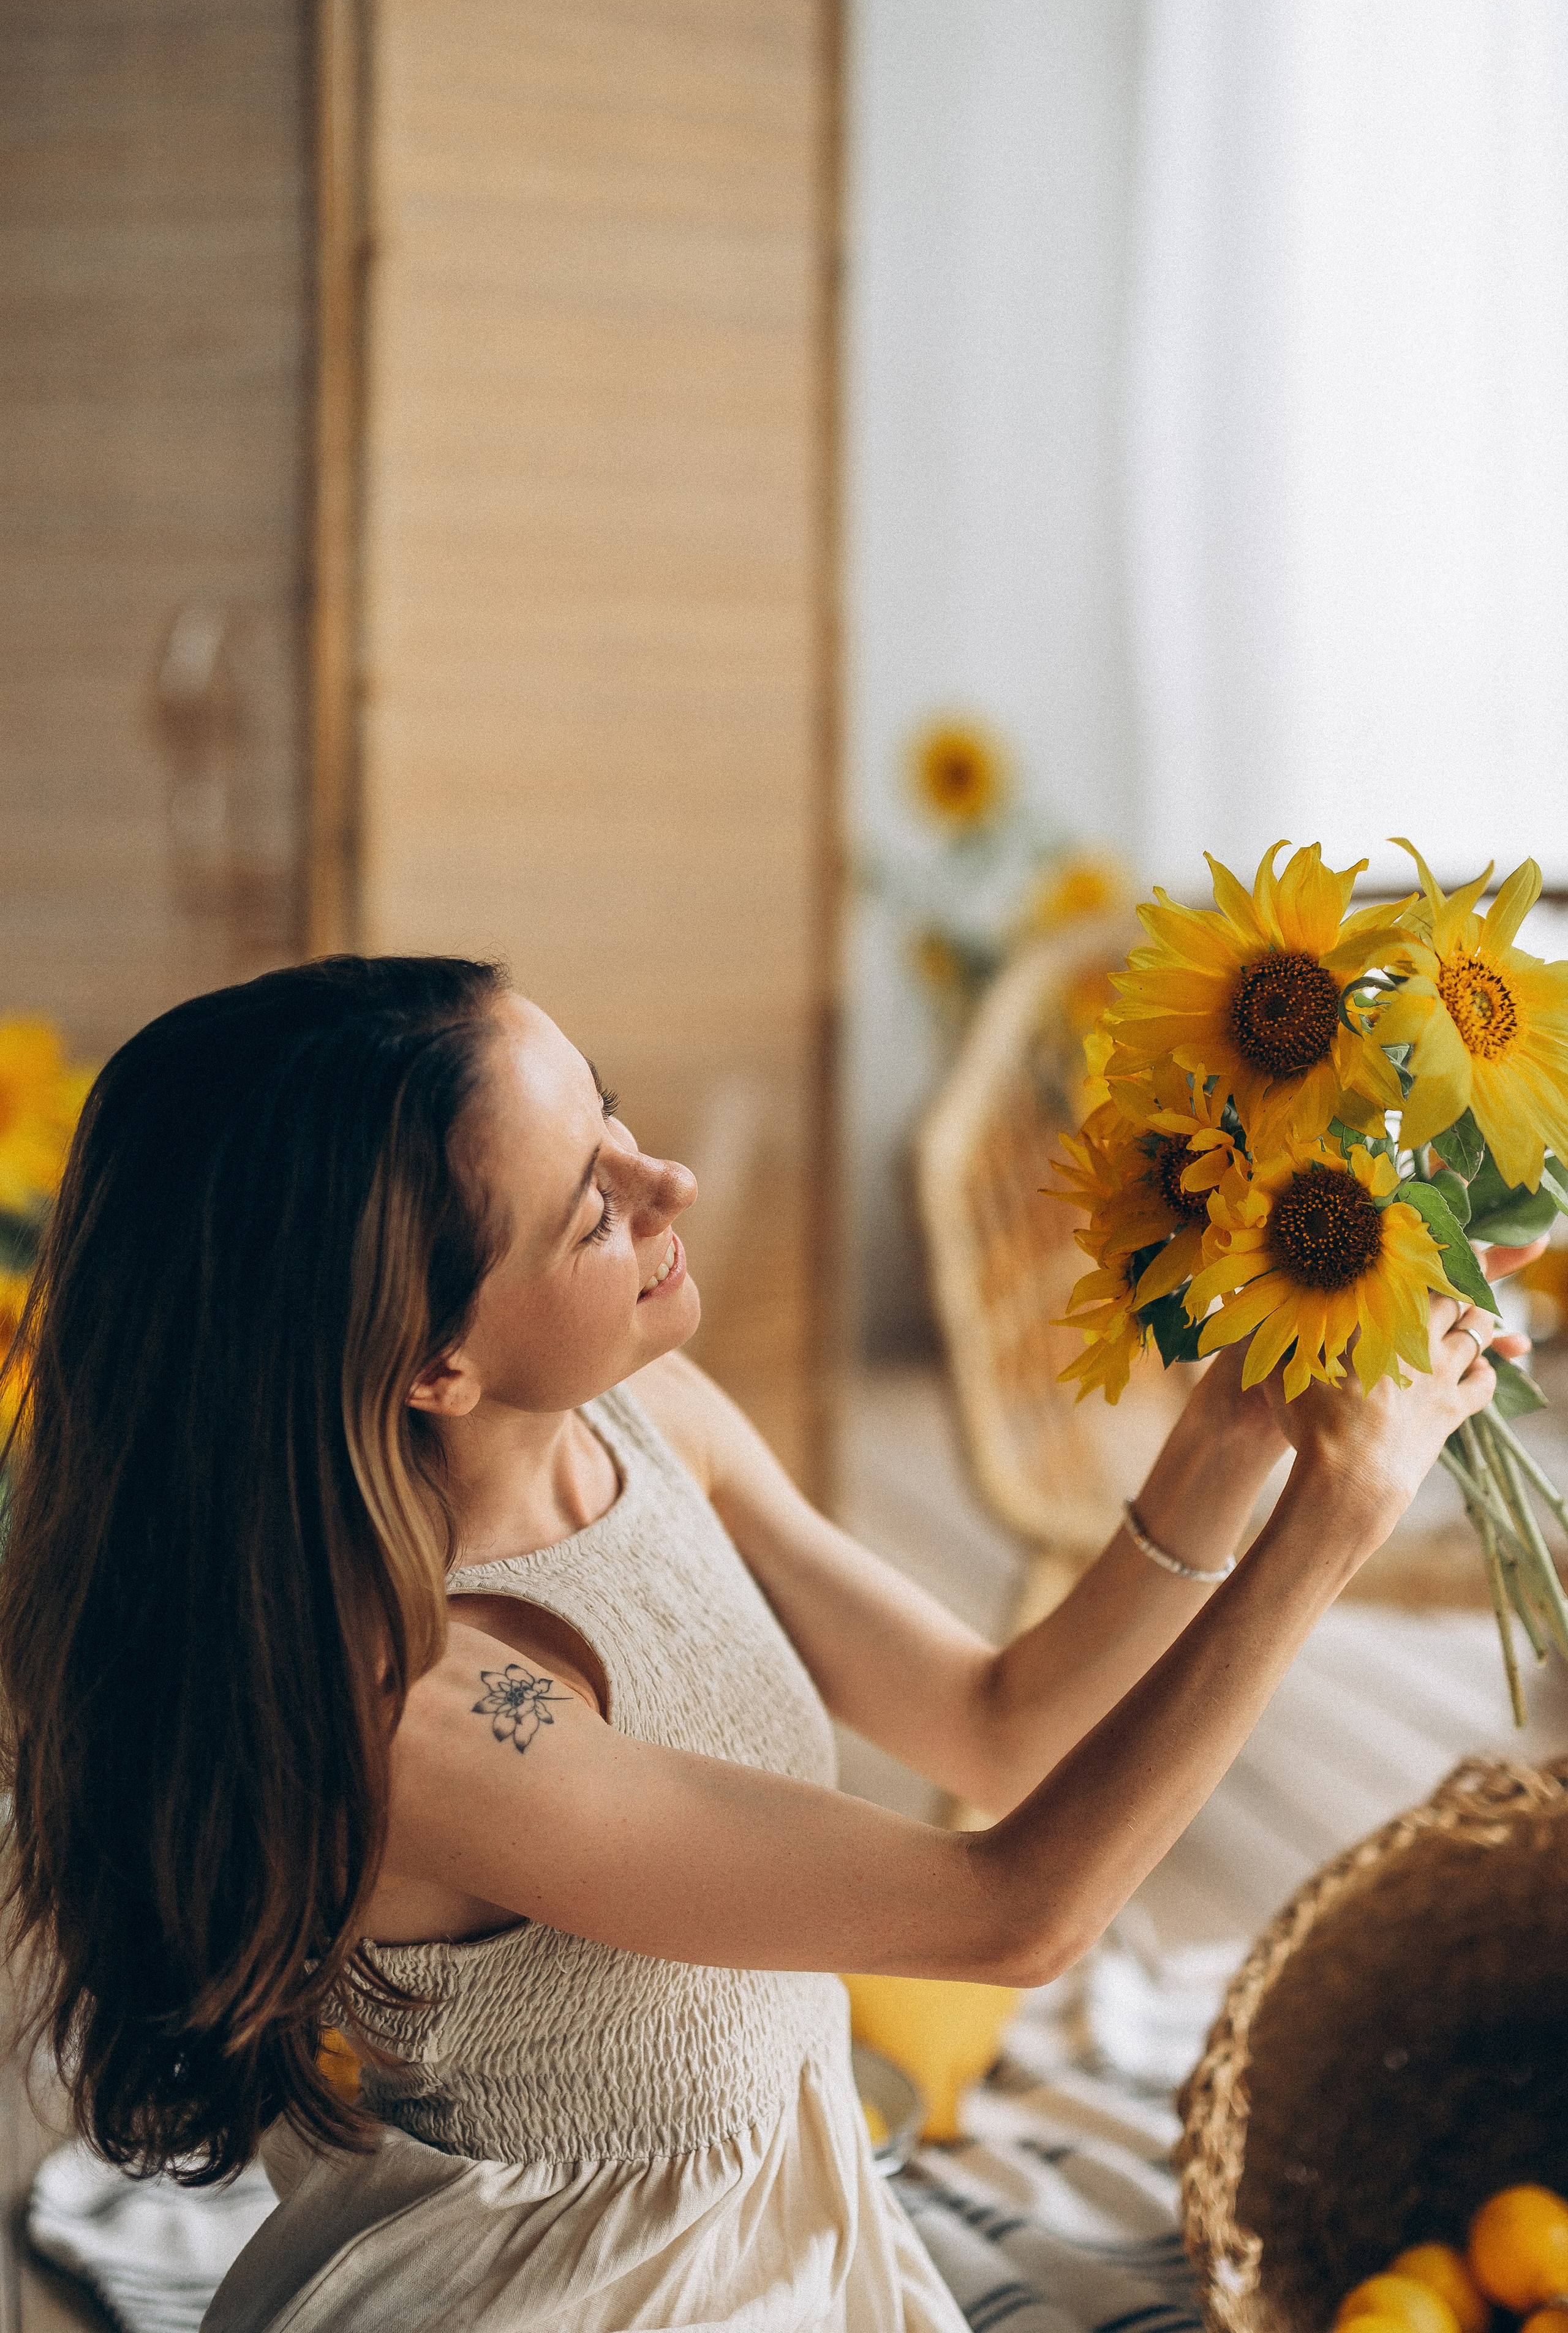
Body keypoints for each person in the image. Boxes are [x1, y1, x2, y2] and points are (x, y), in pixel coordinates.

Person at [0, 955, 1535, 2333]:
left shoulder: (636, 1412)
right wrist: (1337, 1514)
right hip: (604, 2285)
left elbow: (994, 1723)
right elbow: (1018, 1913)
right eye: (591, 1210)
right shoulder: (423, 1708)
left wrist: (1232, 1434)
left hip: (799, 2198)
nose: (661, 1178)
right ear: (434, 1365)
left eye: (606, 1117)